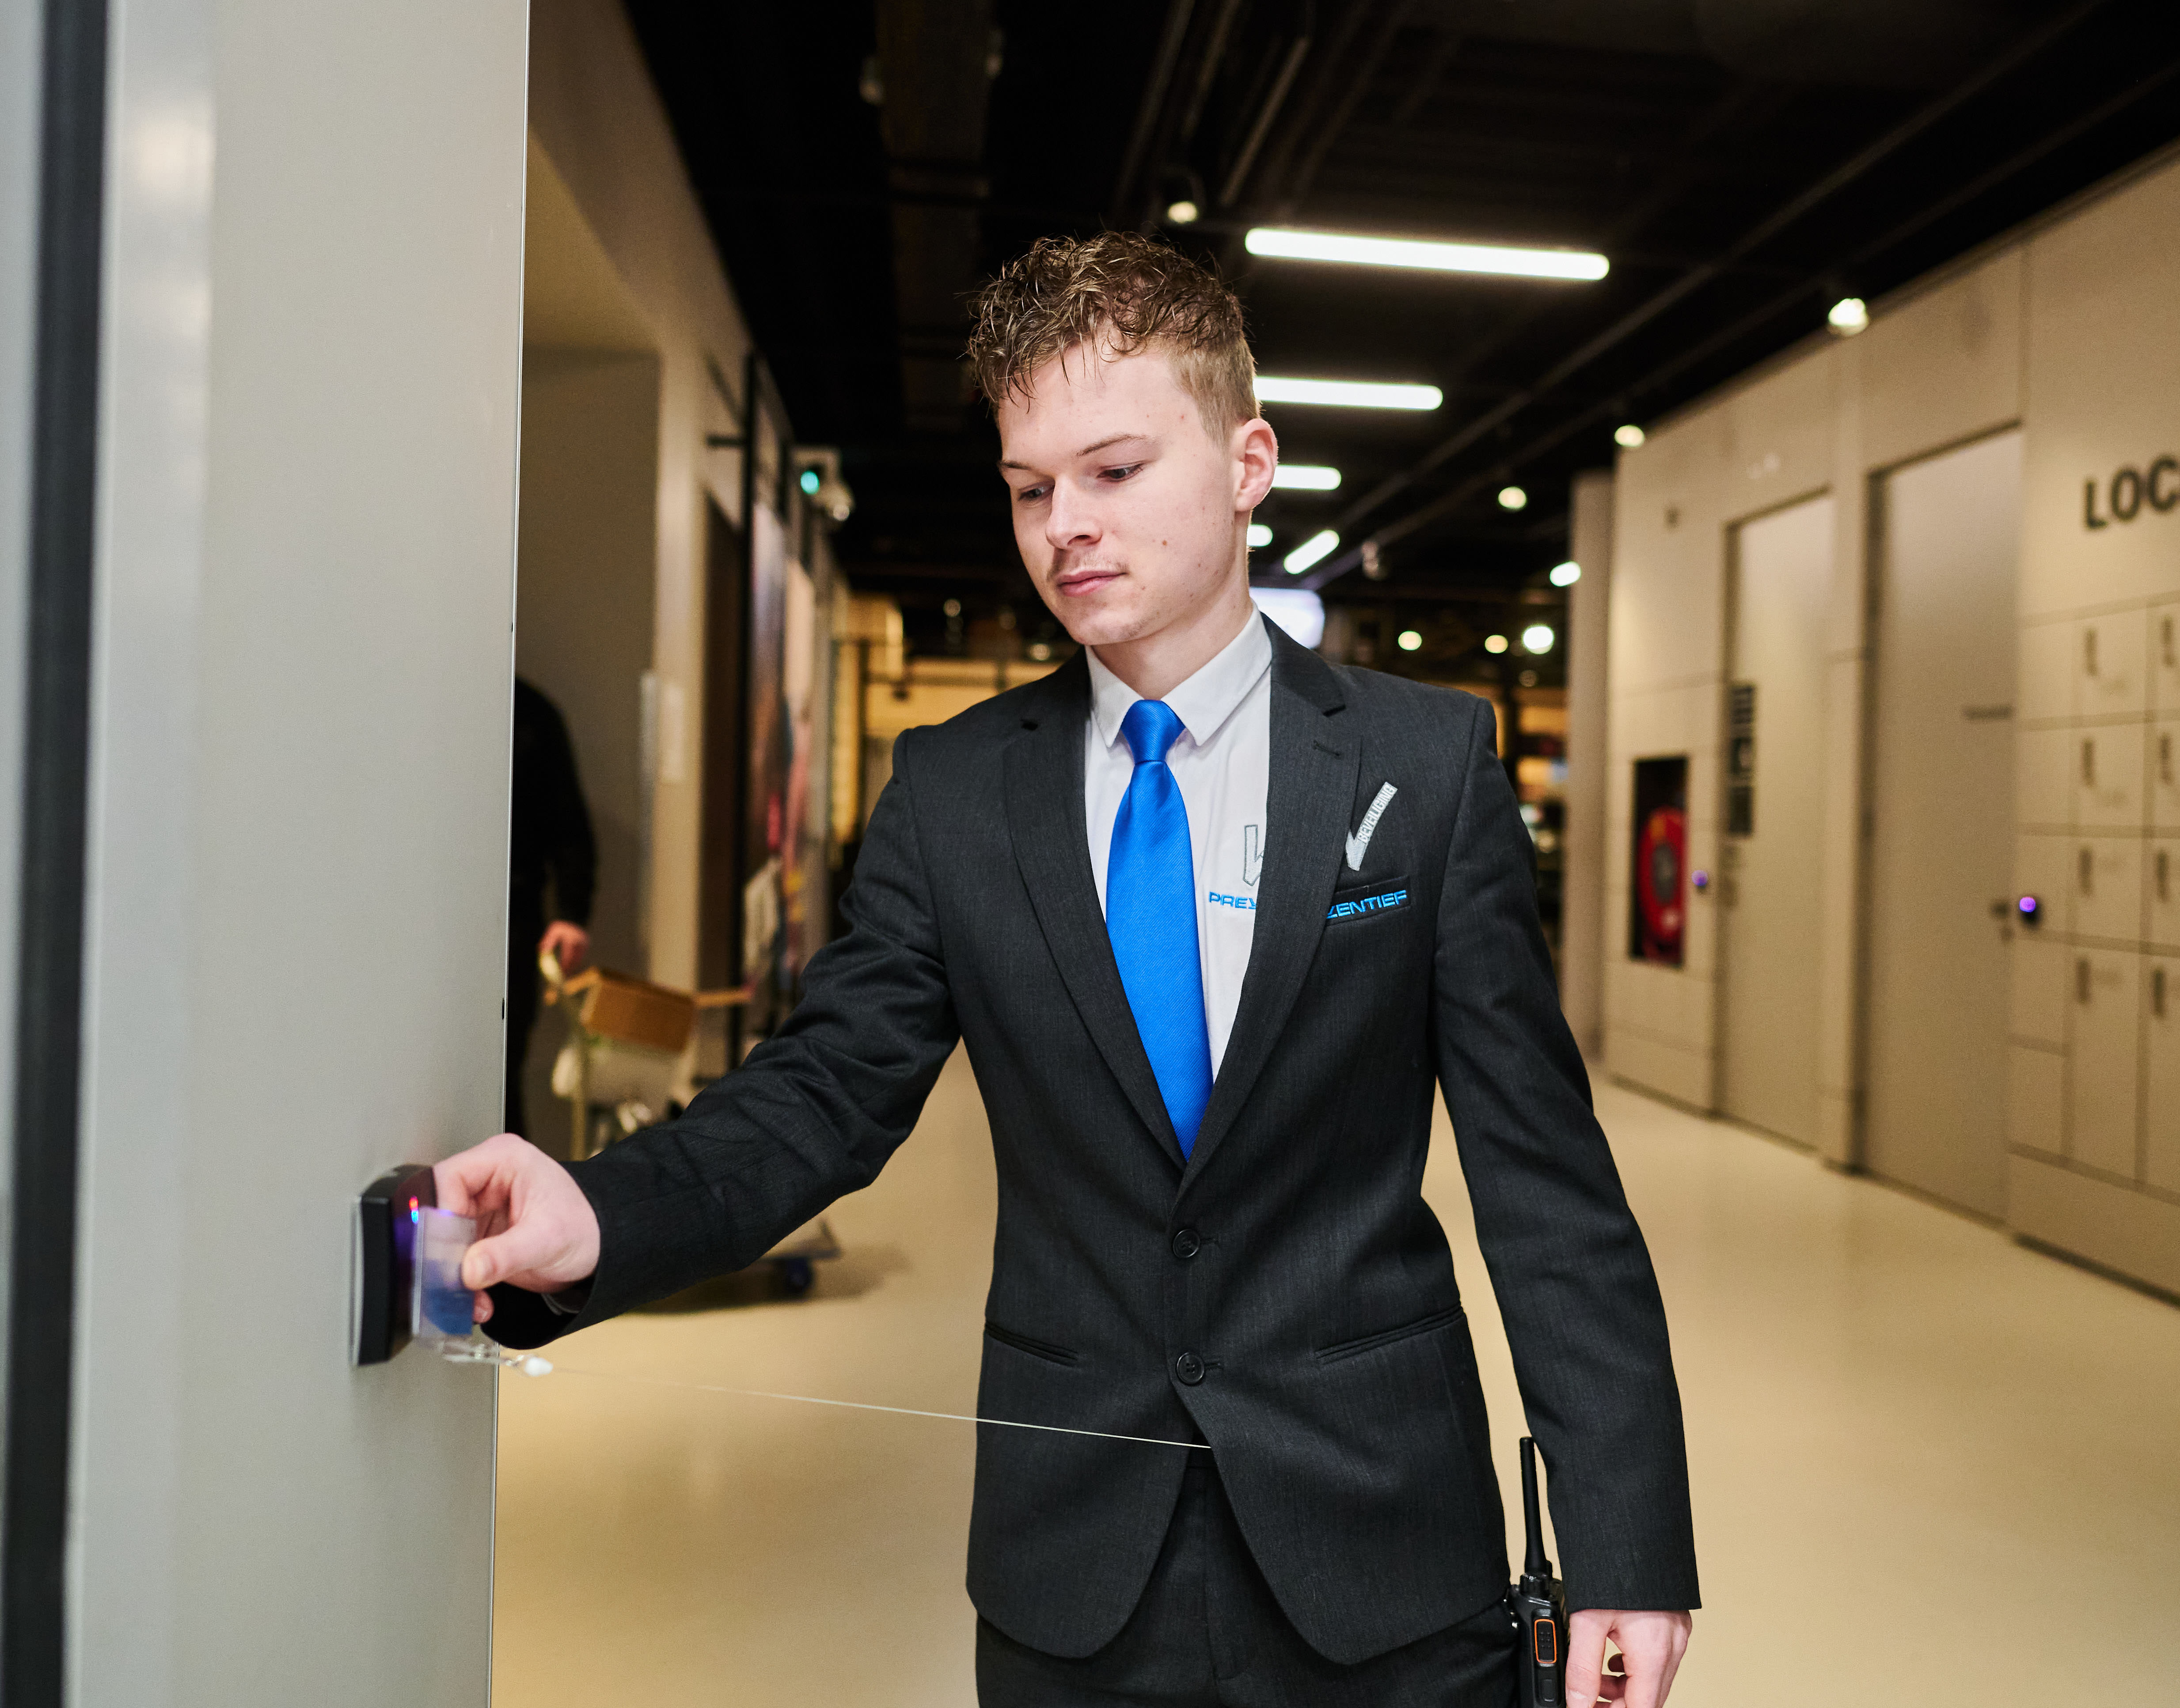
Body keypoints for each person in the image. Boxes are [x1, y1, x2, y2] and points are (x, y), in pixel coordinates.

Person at [440, 234, 1697, 1708]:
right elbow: (824, 1093)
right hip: (1076, 1577)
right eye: (1030, 489)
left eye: (1111, 471)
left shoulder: (1421, 768)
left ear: (1246, 462)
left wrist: (1626, 1539)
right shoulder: (954, 794)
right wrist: (595, 1203)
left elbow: (1543, 1183)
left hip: (1381, 1553)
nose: (1064, 529)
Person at [506, 676, 596, 1139]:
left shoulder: (532, 714)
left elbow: (569, 828)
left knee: (502, 1070)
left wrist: (570, 914)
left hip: (514, 921)